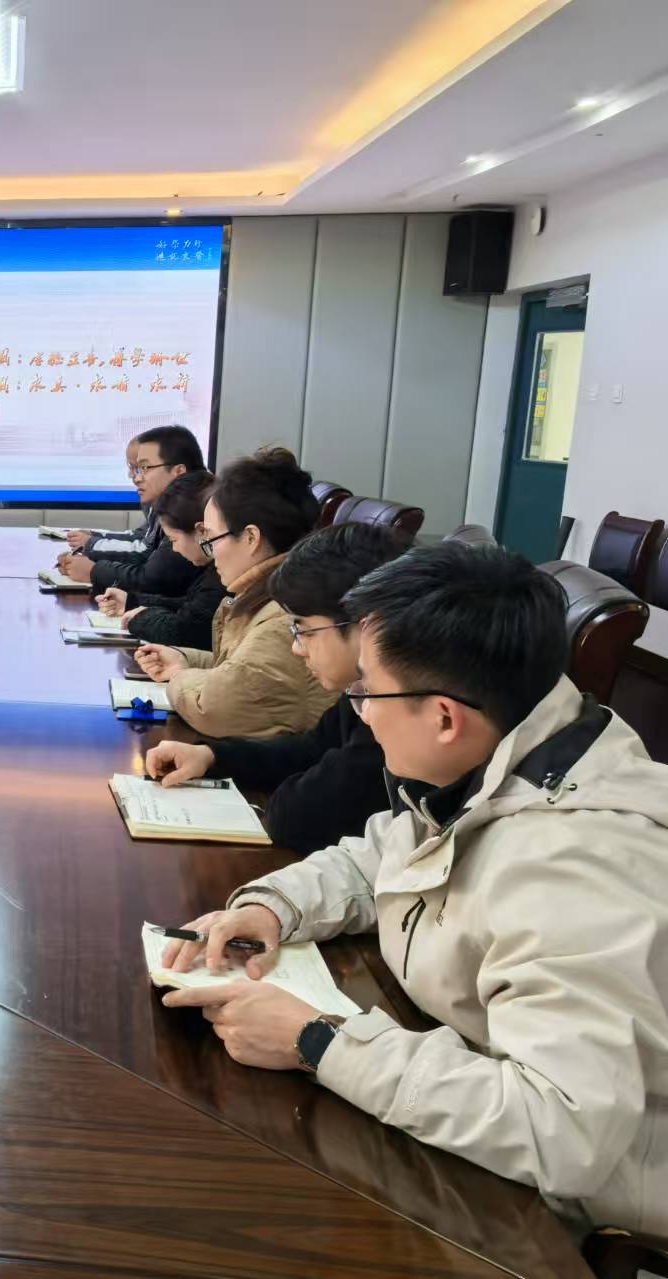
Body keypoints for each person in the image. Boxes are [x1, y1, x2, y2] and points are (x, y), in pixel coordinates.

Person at [158, 542, 668, 1236]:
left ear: (445, 717)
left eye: (368, 691)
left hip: (557, 1205)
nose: (360, 713)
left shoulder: (576, 870)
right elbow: (384, 855)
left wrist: (318, 1041)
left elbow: (562, 1130)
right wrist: (272, 906)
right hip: (464, 1082)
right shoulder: (507, 750)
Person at [143, 523, 409, 852]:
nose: (297, 648)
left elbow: (296, 816)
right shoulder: (360, 691)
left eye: (304, 630)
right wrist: (211, 756)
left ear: (365, 627)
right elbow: (310, 749)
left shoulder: (400, 712)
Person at [134, 447, 332, 737]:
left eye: (213, 538)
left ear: (251, 537)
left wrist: (178, 675)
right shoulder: (268, 593)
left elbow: (212, 707)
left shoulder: (283, 617)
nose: (211, 552)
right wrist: (184, 659)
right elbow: (240, 670)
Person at [57, 425, 205, 598]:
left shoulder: (191, 508)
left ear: (178, 471)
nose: (135, 478)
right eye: (136, 468)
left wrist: (93, 570)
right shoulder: (173, 502)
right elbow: (146, 550)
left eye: (144, 468)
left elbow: (152, 579)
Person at [92, 469, 224, 648]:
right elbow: (189, 605)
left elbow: (183, 631)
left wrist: (139, 618)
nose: (174, 549)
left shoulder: (223, 572)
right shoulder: (210, 568)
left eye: (174, 540)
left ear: (201, 531)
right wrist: (131, 602)